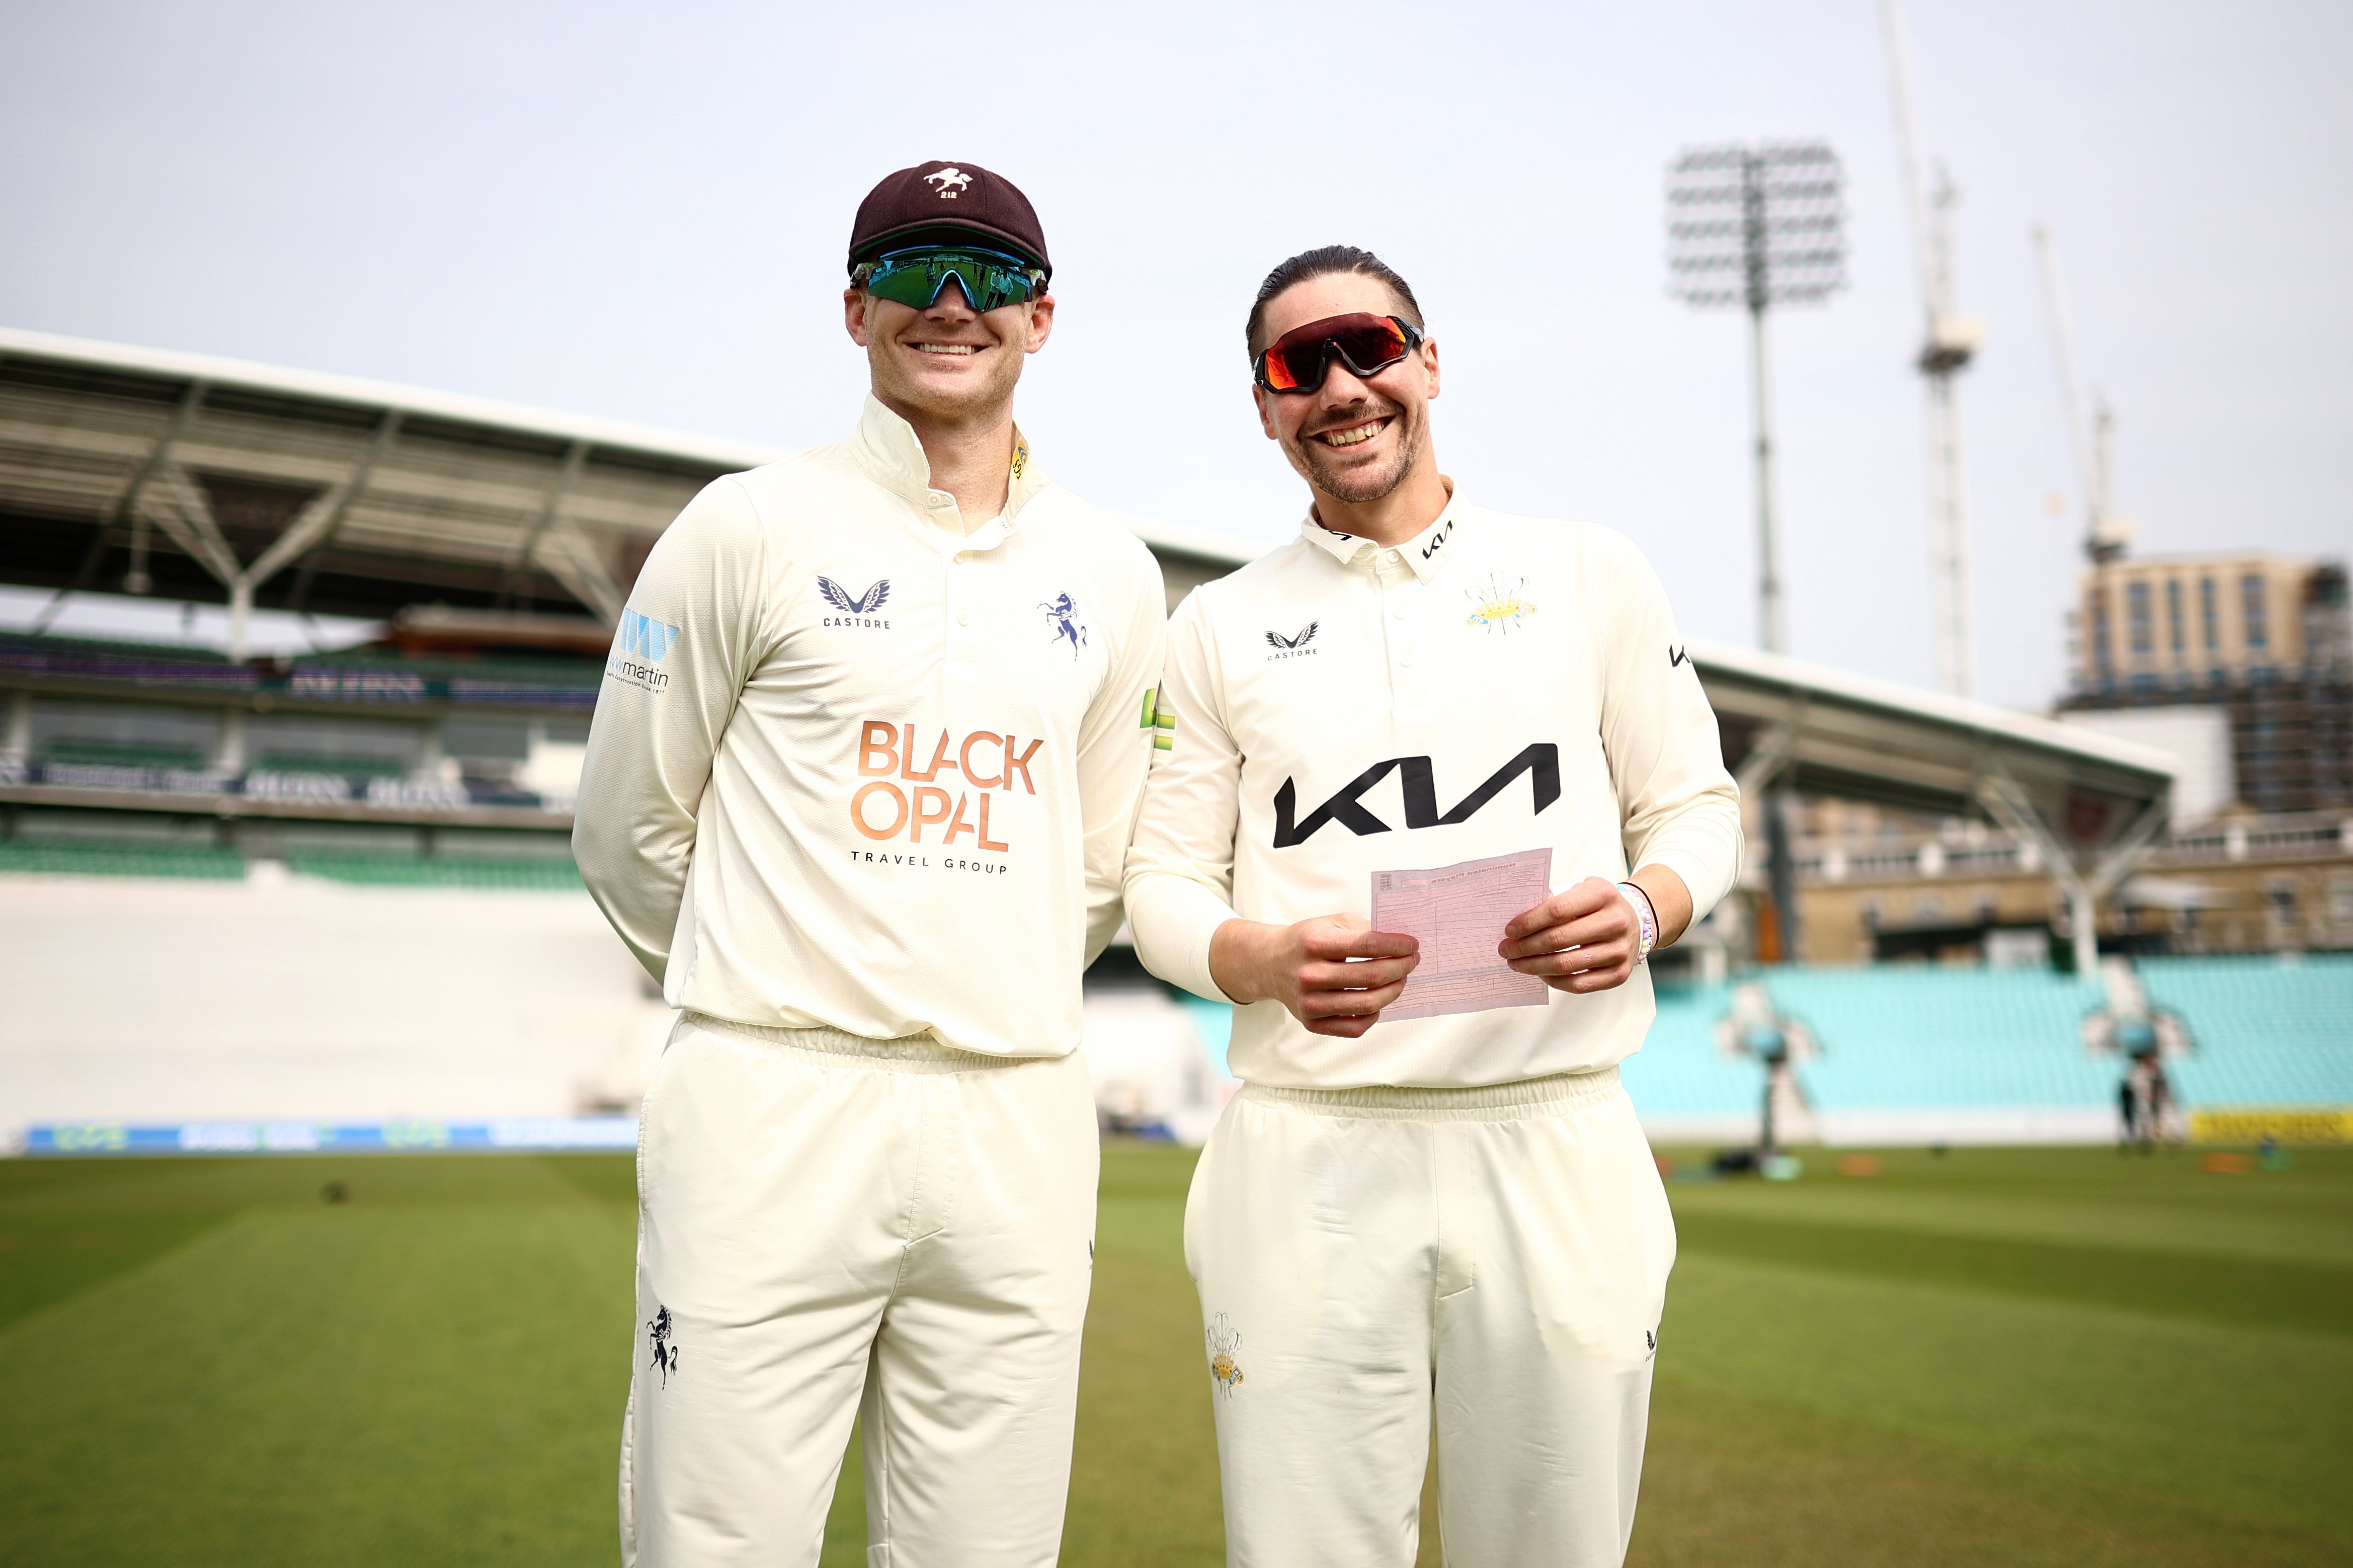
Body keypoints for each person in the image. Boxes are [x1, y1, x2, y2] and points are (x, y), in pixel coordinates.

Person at [573, 160, 1167, 1567]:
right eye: (911, 272)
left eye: (991, 276)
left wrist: (973, 972)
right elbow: (628, 832)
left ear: (1044, 318)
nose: (951, 303)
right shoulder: (747, 525)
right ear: (854, 309)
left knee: (990, 1549)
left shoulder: (1114, 568)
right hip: (773, 1102)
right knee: (716, 1537)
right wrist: (772, 982)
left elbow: (1093, 868)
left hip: (1014, 1113)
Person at [1122, 245, 1743, 1567]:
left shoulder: (1589, 575)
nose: (1343, 386)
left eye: (1372, 347)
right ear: (1265, 406)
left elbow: (1700, 812)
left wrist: (1640, 910)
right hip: (1310, 1152)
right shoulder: (1217, 628)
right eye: (1300, 366)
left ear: (1430, 363)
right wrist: (1255, 955)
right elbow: (1159, 885)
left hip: (1555, 1134)